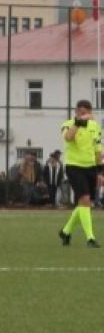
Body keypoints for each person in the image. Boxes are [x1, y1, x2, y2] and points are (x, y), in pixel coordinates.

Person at [58, 99, 102, 248]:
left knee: (84, 204)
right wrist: (78, 122)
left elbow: (98, 150)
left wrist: (101, 172)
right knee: (85, 200)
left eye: (86, 113)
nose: (83, 115)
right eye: (80, 112)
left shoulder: (95, 126)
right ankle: (90, 238)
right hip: (74, 166)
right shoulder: (68, 124)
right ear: (76, 112)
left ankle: (65, 231)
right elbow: (68, 137)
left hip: (90, 168)